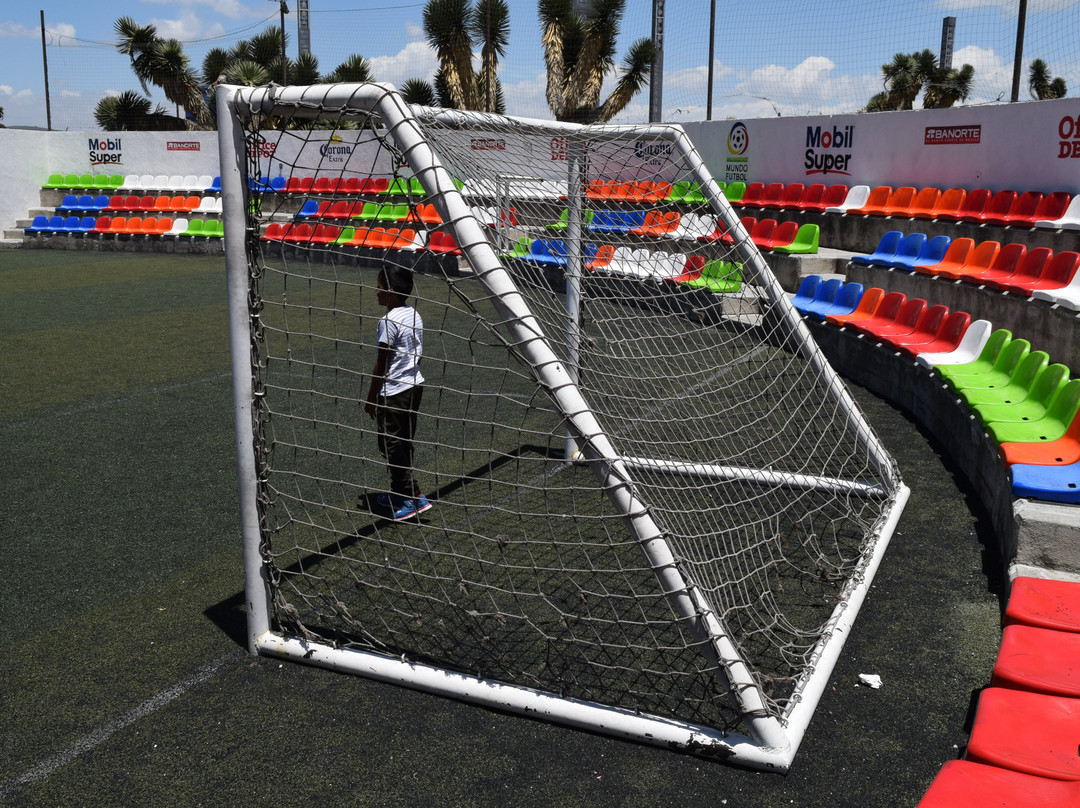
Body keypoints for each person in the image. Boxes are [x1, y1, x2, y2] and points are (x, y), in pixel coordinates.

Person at [364, 265, 431, 520]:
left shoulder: (388, 322)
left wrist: (371, 399)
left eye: (379, 287)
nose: (376, 292)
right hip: (414, 387)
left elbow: (382, 364)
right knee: (404, 441)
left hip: (393, 393)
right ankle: (398, 492)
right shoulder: (414, 314)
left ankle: (413, 497)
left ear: (391, 292)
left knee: (391, 445)